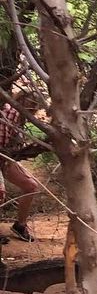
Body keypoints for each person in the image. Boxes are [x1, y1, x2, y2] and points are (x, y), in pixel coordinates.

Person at [0, 96, 41, 242]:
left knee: (30, 186)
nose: (33, 110)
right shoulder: (11, 112)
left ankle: (20, 225)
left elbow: (12, 146)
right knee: (0, 192)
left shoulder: (20, 120)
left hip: (5, 158)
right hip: (3, 156)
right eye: (31, 106)